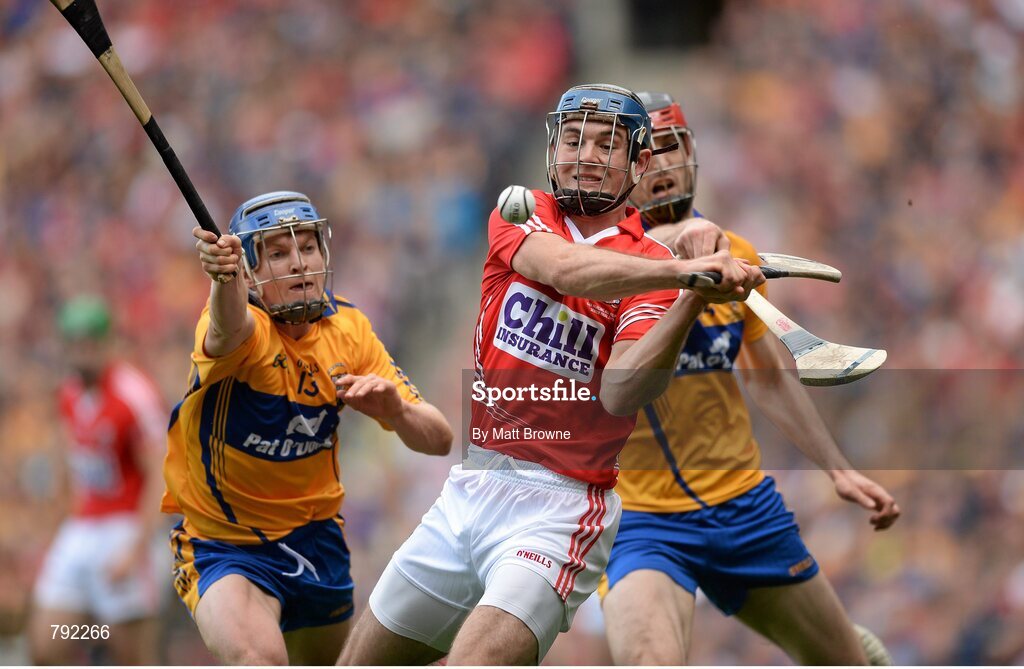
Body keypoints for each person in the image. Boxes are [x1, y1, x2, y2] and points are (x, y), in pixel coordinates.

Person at [338, 83, 764, 666]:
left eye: (606, 143)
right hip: (472, 486)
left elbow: (621, 391)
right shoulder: (522, 212)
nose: (585, 153)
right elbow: (566, 270)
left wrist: (688, 297)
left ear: (639, 163)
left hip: (562, 508)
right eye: (573, 138)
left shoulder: (658, 269)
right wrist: (686, 270)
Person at [599, 91, 900, 665]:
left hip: (743, 505)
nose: (662, 166)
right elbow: (630, 252)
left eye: (672, 148)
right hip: (641, 522)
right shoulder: (601, 264)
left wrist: (838, 469)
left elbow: (768, 378)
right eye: (646, 155)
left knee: (849, 663)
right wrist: (684, 255)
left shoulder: (735, 254)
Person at [165, 191, 453, 665]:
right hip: (225, 544)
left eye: (308, 247)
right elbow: (228, 322)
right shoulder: (243, 331)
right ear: (250, 272)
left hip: (316, 540)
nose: (299, 263)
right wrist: (223, 280)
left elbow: (439, 439)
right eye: (278, 253)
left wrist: (397, 410)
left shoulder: (350, 331)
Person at [29, 296, 168, 665]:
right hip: (84, 526)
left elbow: (159, 474)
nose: (82, 352)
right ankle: (95, 632)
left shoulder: (131, 394)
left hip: (125, 527)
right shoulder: (70, 393)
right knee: (48, 641)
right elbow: (71, 467)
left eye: (90, 342)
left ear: (107, 343)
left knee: (131, 655)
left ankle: (103, 636)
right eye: (74, 343)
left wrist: (137, 548)